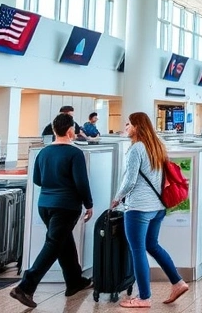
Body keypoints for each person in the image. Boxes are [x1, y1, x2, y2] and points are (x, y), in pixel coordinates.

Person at [10, 114, 94, 309]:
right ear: (71, 130)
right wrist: (88, 204)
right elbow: (81, 182)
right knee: (54, 244)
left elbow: (38, 180)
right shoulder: (75, 153)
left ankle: (74, 281)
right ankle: (26, 285)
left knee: (63, 242)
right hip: (65, 205)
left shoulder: (43, 153)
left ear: (54, 130)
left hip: (45, 205)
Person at [111, 112, 189, 308]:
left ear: (138, 126)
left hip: (138, 208)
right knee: (152, 246)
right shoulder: (157, 146)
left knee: (137, 251)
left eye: (128, 123)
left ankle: (144, 297)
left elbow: (130, 181)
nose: (126, 127)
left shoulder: (136, 149)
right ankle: (178, 282)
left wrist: (117, 197)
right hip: (158, 207)